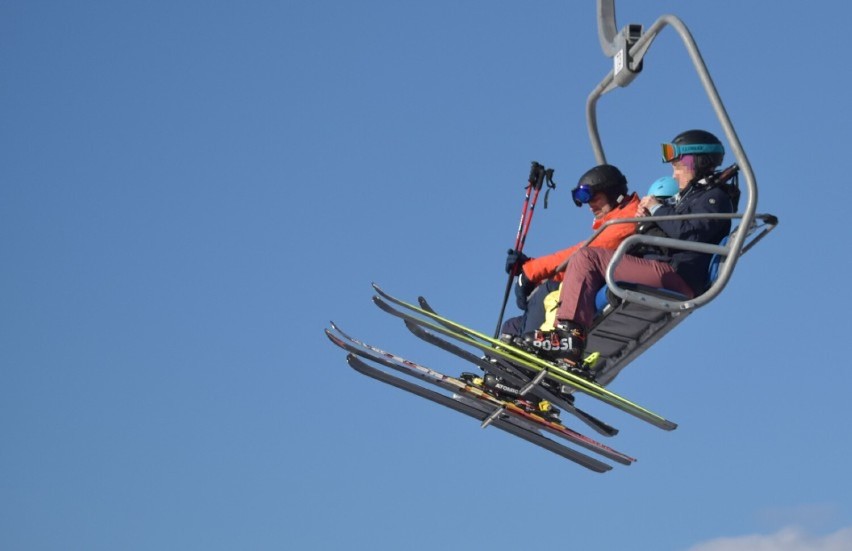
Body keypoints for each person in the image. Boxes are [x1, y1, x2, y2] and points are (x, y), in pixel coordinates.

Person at [530, 129, 734, 368]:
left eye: (677, 166)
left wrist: (658, 210)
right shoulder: (686, 198)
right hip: (662, 267)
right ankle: (547, 351)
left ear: (695, 161)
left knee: (587, 257)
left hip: (677, 275)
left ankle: (570, 338)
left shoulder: (715, 197)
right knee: (559, 285)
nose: (674, 174)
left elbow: (690, 232)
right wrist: (645, 224)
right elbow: (674, 228)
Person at [500, 164, 640, 342]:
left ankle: (527, 358)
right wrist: (530, 269)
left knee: (548, 290)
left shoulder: (627, 219)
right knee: (511, 327)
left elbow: (586, 254)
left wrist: (532, 271)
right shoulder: (614, 222)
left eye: (593, 198)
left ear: (611, 192)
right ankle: (499, 362)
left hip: (599, 284)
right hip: (590, 281)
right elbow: (578, 264)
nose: (589, 205)